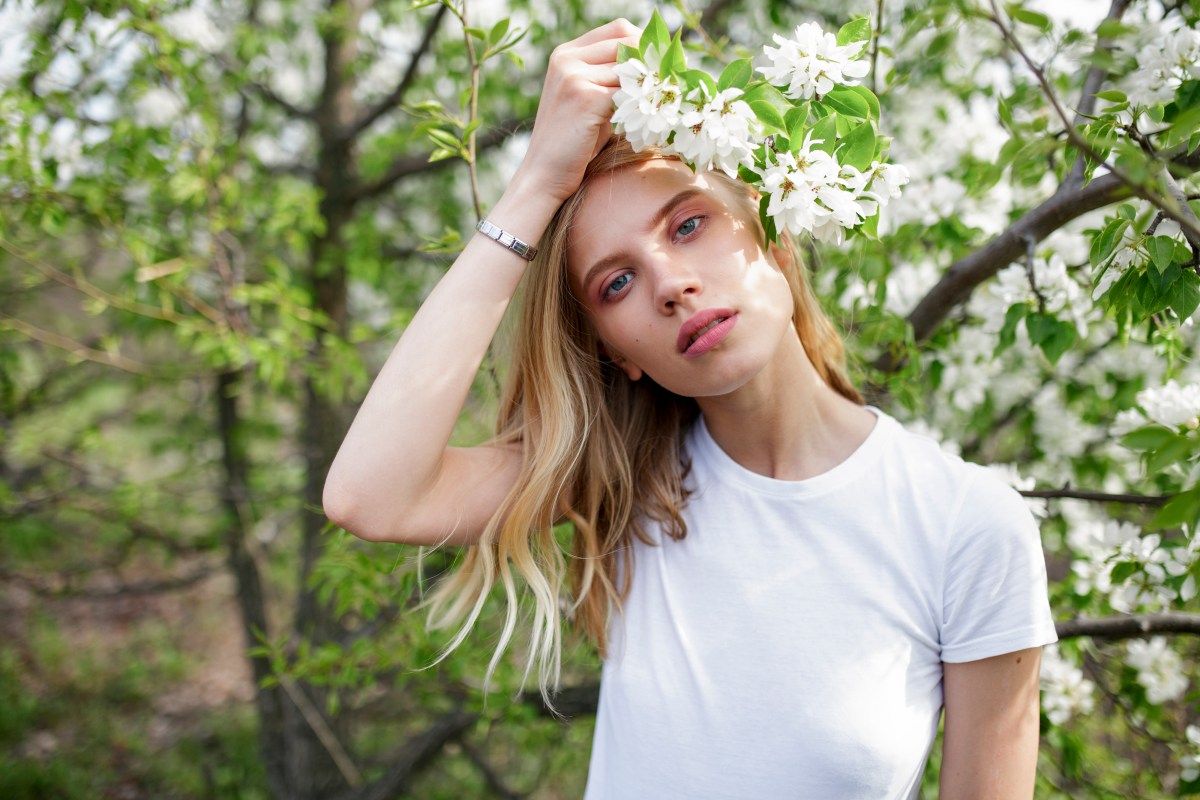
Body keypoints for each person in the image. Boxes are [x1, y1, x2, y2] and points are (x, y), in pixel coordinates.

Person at [323, 18, 1058, 799]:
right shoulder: (627, 482)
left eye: (688, 224)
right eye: (616, 282)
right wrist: (533, 184)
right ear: (619, 355)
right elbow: (370, 495)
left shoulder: (966, 525)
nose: (670, 283)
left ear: (774, 230)